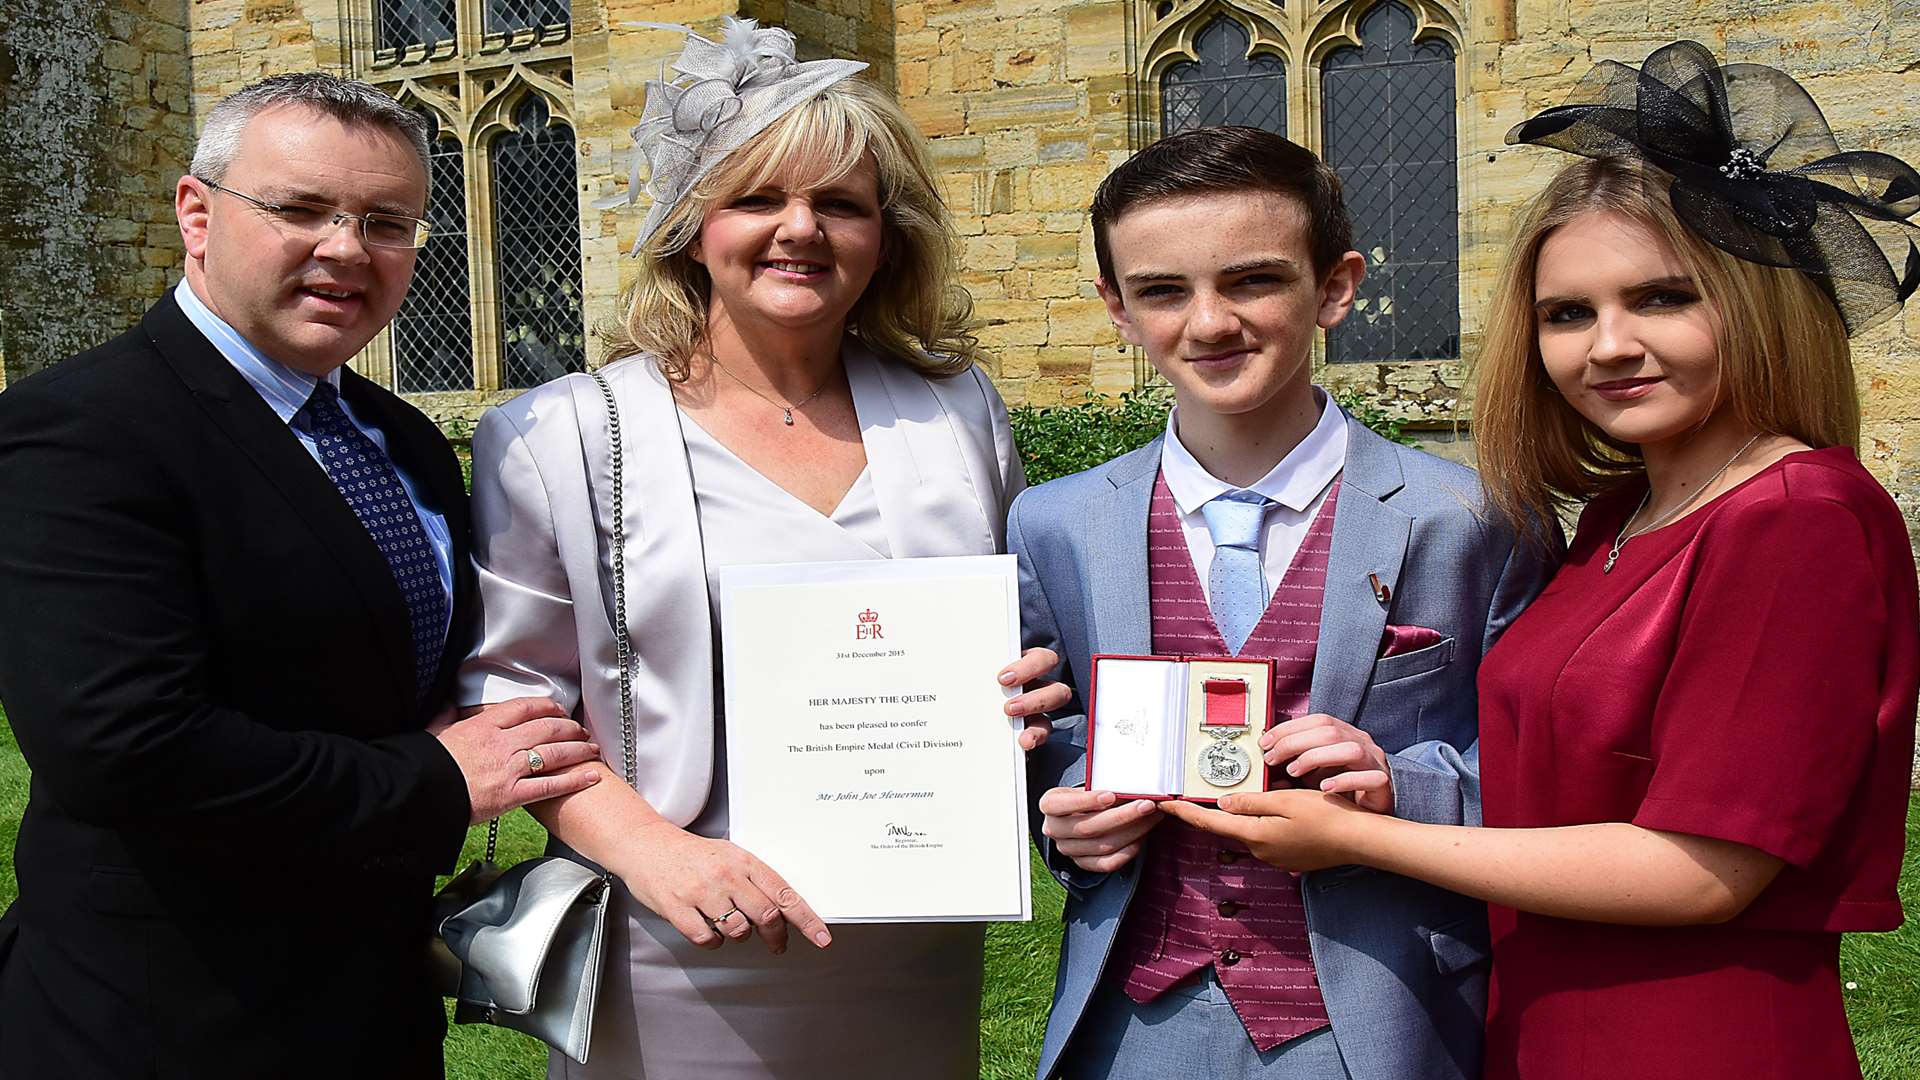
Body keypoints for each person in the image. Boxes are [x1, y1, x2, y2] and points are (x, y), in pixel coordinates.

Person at [1157, 41, 1920, 1080]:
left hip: (1696, 1035)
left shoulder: (1798, 516)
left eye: (1661, 297)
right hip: (1543, 1022)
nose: (1606, 346)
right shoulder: (1619, 517)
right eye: (1569, 313)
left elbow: (1704, 871)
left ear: (1757, 302)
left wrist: (1359, 841)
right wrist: (1386, 778)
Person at [457, 19, 1065, 1079]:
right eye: (757, 200)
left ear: (885, 232)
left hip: (913, 939)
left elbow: (1014, 630)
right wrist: (657, 856)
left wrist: (1023, 691)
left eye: (839, 203)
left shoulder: (957, 413)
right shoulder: (559, 436)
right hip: (675, 943)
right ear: (693, 226)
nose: (801, 230)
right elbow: (512, 709)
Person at [0, 73, 600, 1079]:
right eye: (300, 209)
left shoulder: (400, 438)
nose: (346, 249)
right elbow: (122, 745)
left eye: (386, 222)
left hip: (371, 1008)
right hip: (159, 1021)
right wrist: (434, 780)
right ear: (198, 214)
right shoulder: (81, 430)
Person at [1012, 125, 1557, 1080]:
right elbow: (1046, 735)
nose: (1210, 322)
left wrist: (1402, 787)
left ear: (1336, 287)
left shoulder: (1472, 517)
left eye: (1253, 280)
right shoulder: (1053, 524)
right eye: (1162, 290)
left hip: (1377, 1009)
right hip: (1131, 1020)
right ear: (1117, 308)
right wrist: (1062, 811)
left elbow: (1541, 763)